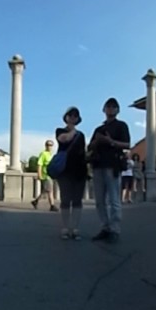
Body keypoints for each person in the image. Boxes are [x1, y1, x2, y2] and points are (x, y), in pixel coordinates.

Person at [88, 97, 131, 243]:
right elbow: (90, 147)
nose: (111, 109)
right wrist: (97, 141)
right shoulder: (98, 129)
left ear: (118, 110)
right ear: (104, 110)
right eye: (108, 106)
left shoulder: (121, 126)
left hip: (113, 165)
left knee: (114, 199)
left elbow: (127, 144)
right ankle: (105, 227)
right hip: (98, 165)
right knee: (99, 200)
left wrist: (110, 141)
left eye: (114, 107)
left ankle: (115, 229)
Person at [55, 107, 88, 240]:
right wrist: (72, 130)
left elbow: (83, 151)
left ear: (78, 119)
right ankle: (65, 227)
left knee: (77, 200)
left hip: (80, 170)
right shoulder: (60, 130)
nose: (73, 117)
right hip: (65, 170)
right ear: (66, 117)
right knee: (65, 199)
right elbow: (64, 139)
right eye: (71, 115)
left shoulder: (81, 135)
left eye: (76, 116)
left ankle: (75, 228)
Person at [31, 140, 58, 212]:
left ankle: (35, 201)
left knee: (46, 190)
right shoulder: (43, 154)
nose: (50, 146)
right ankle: (52, 206)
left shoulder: (50, 154)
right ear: (45, 146)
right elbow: (40, 164)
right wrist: (39, 175)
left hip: (50, 175)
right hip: (45, 175)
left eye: (51, 145)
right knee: (50, 191)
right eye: (48, 145)